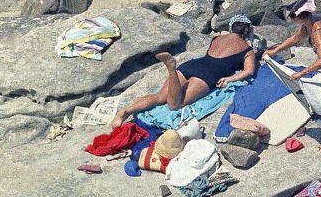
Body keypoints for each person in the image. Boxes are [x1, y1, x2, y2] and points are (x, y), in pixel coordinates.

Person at [110, 15, 257, 128]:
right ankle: (171, 70)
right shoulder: (246, 49)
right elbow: (249, 72)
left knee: (160, 97)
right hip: (208, 74)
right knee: (175, 104)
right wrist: (229, 79)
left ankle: (126, 111)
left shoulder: (218, 38)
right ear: (248, 30)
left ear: (231, 27)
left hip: (193, 64)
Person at [263, 0, 321, 152]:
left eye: (292, 16)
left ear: (299, 16)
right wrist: (276, 50)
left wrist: (302, 74)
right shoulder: (310, 22)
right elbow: (297, 38)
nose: (291, 19)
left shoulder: (318, 30)